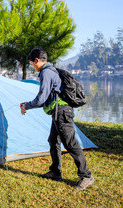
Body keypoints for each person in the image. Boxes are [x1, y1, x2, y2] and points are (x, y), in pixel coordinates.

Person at [20, 47, 95, 191]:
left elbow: (41, 99)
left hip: (62, 112)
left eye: (32, 63)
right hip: (58, 112)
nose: (32, 66)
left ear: (37, 60)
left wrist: (26, 106)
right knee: (53, 140)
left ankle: (86, 176)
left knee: (70, 143)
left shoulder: (46, 72)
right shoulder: (51, 70)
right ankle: (55, 172)